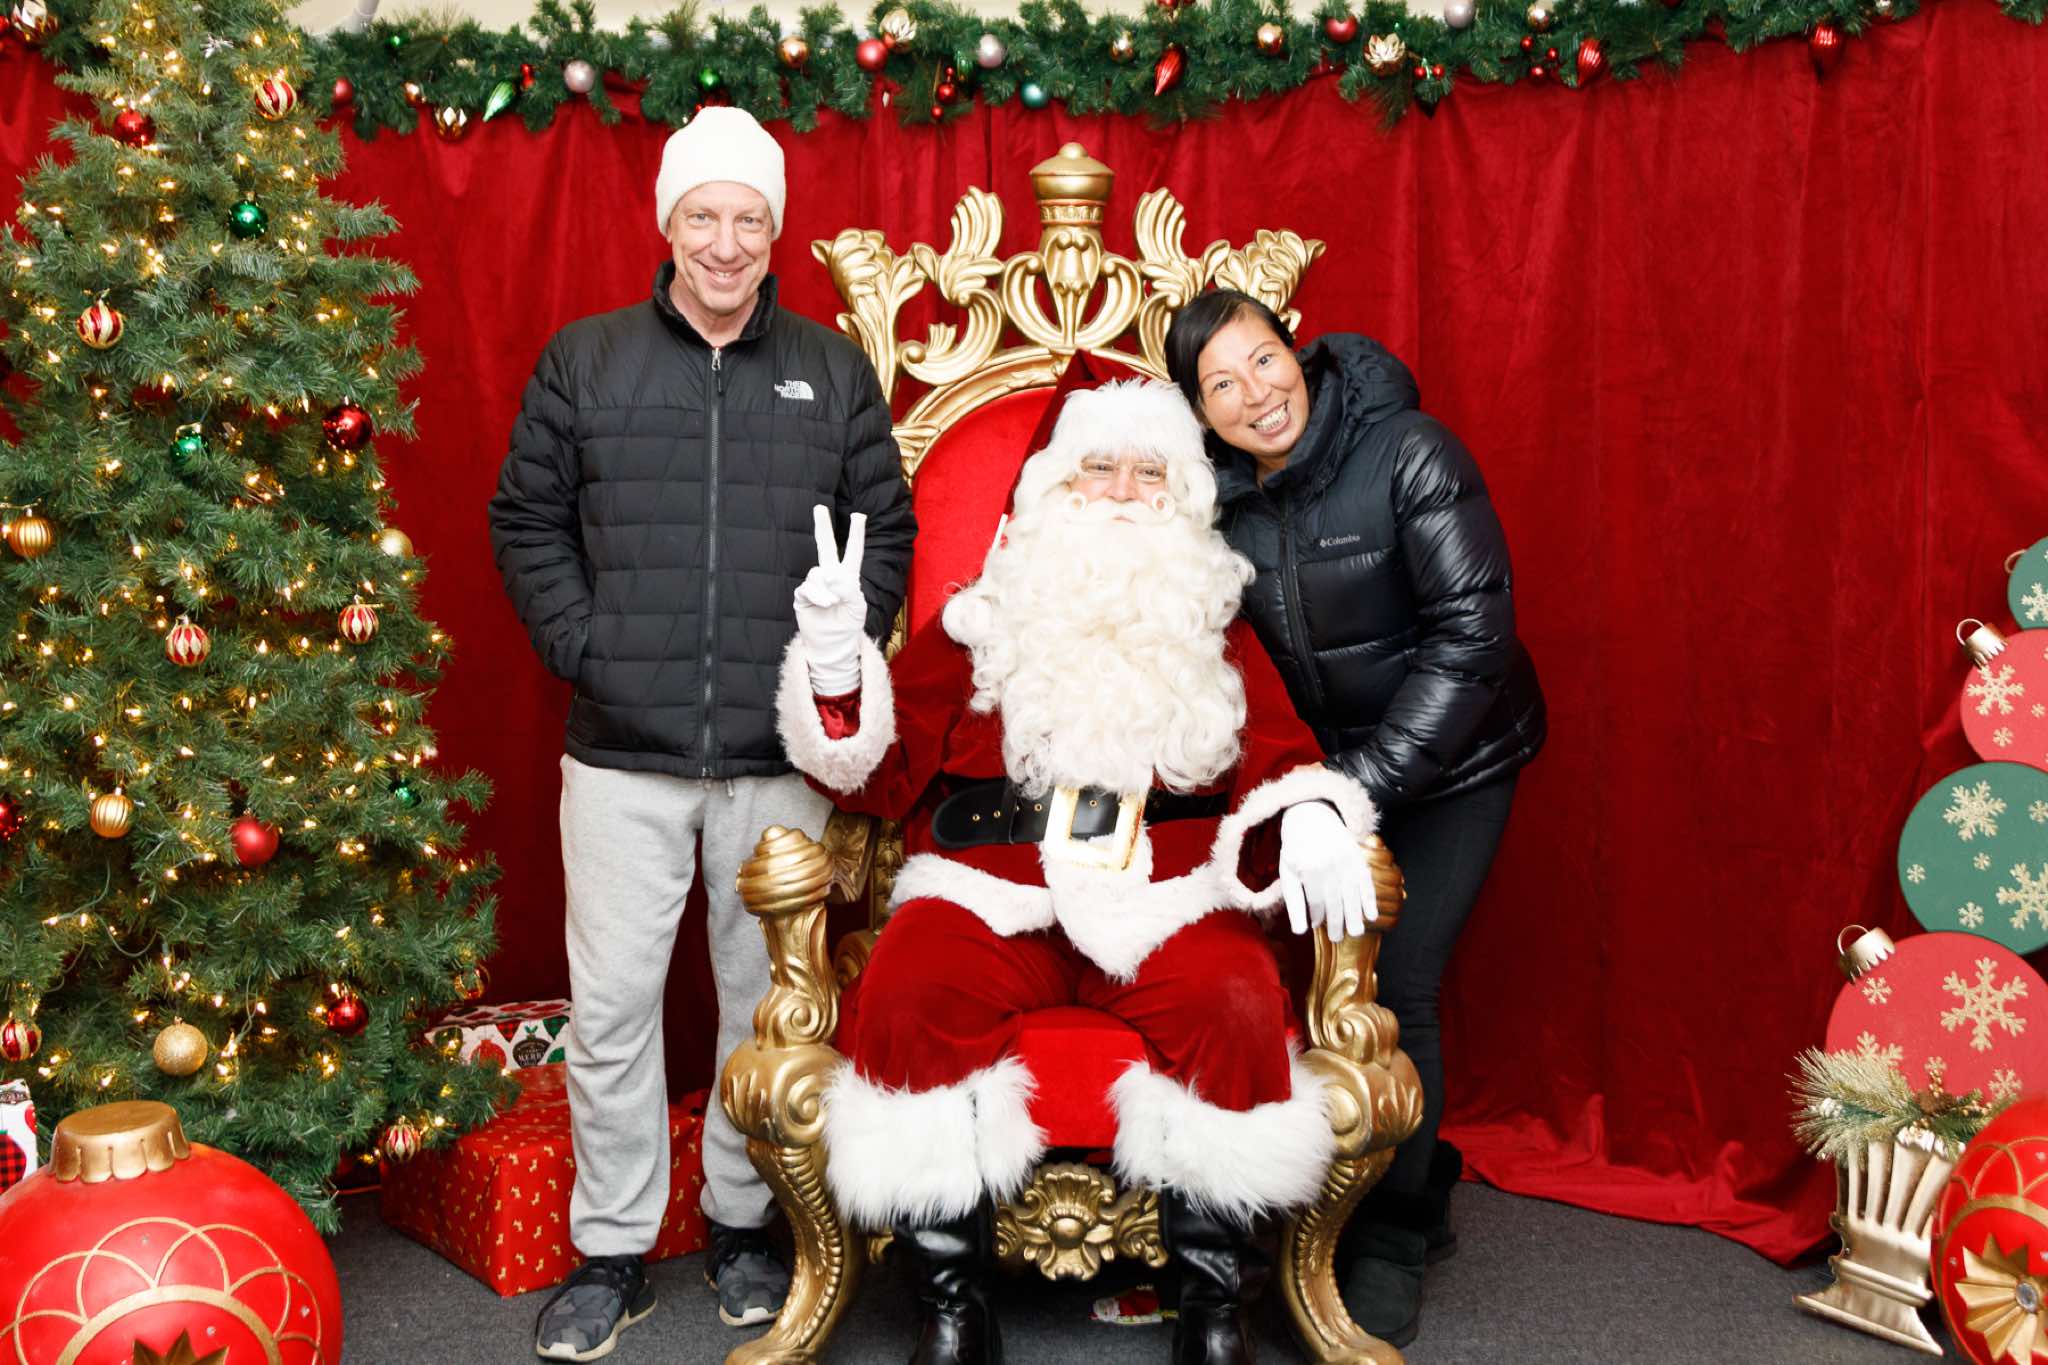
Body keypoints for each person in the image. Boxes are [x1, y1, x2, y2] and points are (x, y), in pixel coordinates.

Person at [775, 378, 1384, 1365]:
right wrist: (837, 669)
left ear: (1181, 497)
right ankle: (951, 1303)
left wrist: (1309, 813)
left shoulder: (1214, 630)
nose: (1122, 492)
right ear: (1052, 491)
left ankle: (1212, 1304)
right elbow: (872, 778)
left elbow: (1281, 756)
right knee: (908, 986)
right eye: (1097, 468)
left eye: (1149, 473)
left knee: (1235, 998)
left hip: (1167, 901)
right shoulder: (978, 623)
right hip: (987, 895)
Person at [487, 106, 915, 1362]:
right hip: (620, 752)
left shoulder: (829, 369)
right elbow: (526, 521)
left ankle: (741, 1227)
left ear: (774, 231)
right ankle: (610, 1248)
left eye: (748, 219)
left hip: (778, 758)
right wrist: (589, 646)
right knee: (614, 1008)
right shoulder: (587, 359)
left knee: (761, 1006)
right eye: (702, 216)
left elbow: (884, 529)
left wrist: (839, 646)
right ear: (667, 222)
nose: (724, 243)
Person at [1163, 290, 1546, 1348]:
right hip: (1331, 782)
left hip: (1458, 758)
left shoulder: (1410, 452)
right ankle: (1405, 1163)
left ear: (1300, 352)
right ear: (1199, 411)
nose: (1255, 394)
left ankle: (1395, 1232)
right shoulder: (1219, 508)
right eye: (1221, 385)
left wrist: (1354, 790)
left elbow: (1472, 638)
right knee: (1309, 977)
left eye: (1263, 360)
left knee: (1396, 980)